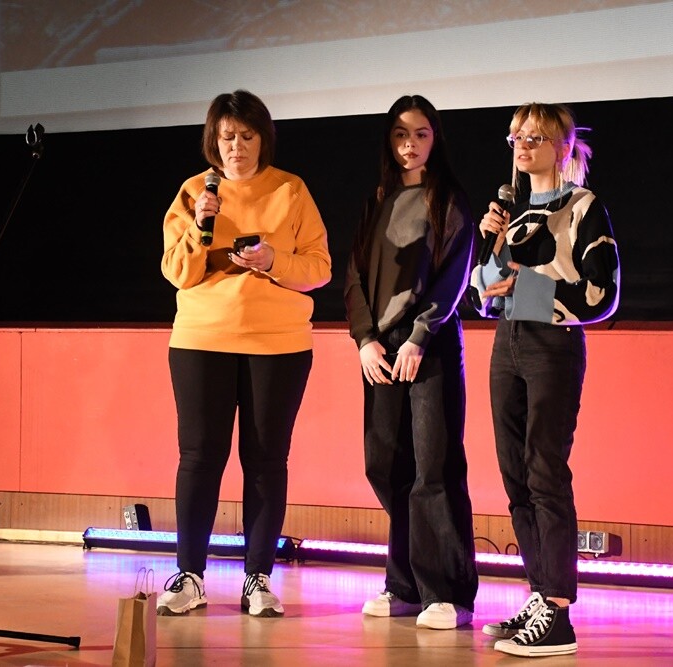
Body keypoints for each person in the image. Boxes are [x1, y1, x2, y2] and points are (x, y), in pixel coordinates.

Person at [158, 89, 331, 617]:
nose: (236, 147)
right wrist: (199, 225)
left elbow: (319, 268)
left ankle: (258, 578)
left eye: (247, 136)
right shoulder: (194, 192)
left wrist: (273, 259)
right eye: (228, 136)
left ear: (263, 139)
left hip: (277, 343)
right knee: (199, 457)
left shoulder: (290, 189)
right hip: (202, 340)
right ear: (214, 140)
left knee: (265, 460)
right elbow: (177, 272)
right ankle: (190, 575)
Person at [469, 103, 620, 657]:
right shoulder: (507, 212)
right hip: (506, 344)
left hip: (552, 345)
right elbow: (481, 295)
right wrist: (488, 256)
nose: (523, 146)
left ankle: (558, 613)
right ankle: (539, 595)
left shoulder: (583, 207)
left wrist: (525, 289)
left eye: (536, 137)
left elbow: (601, 295)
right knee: (515, 475)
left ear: (563, 146)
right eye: (516, 138)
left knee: (544, 471)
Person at [343, 95, 479, 630]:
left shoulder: (448, 199)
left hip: (430, 343)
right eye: (401, 134)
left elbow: (454, 277)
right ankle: (402, 585)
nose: (410, 144)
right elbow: (354, 274)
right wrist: (363, 339)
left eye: (420, 134)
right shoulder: (377, 198)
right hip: (380, 346)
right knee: (385, 465)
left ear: (435, 138)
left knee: (434, 467)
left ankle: (447, 593)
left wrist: (420, 336)